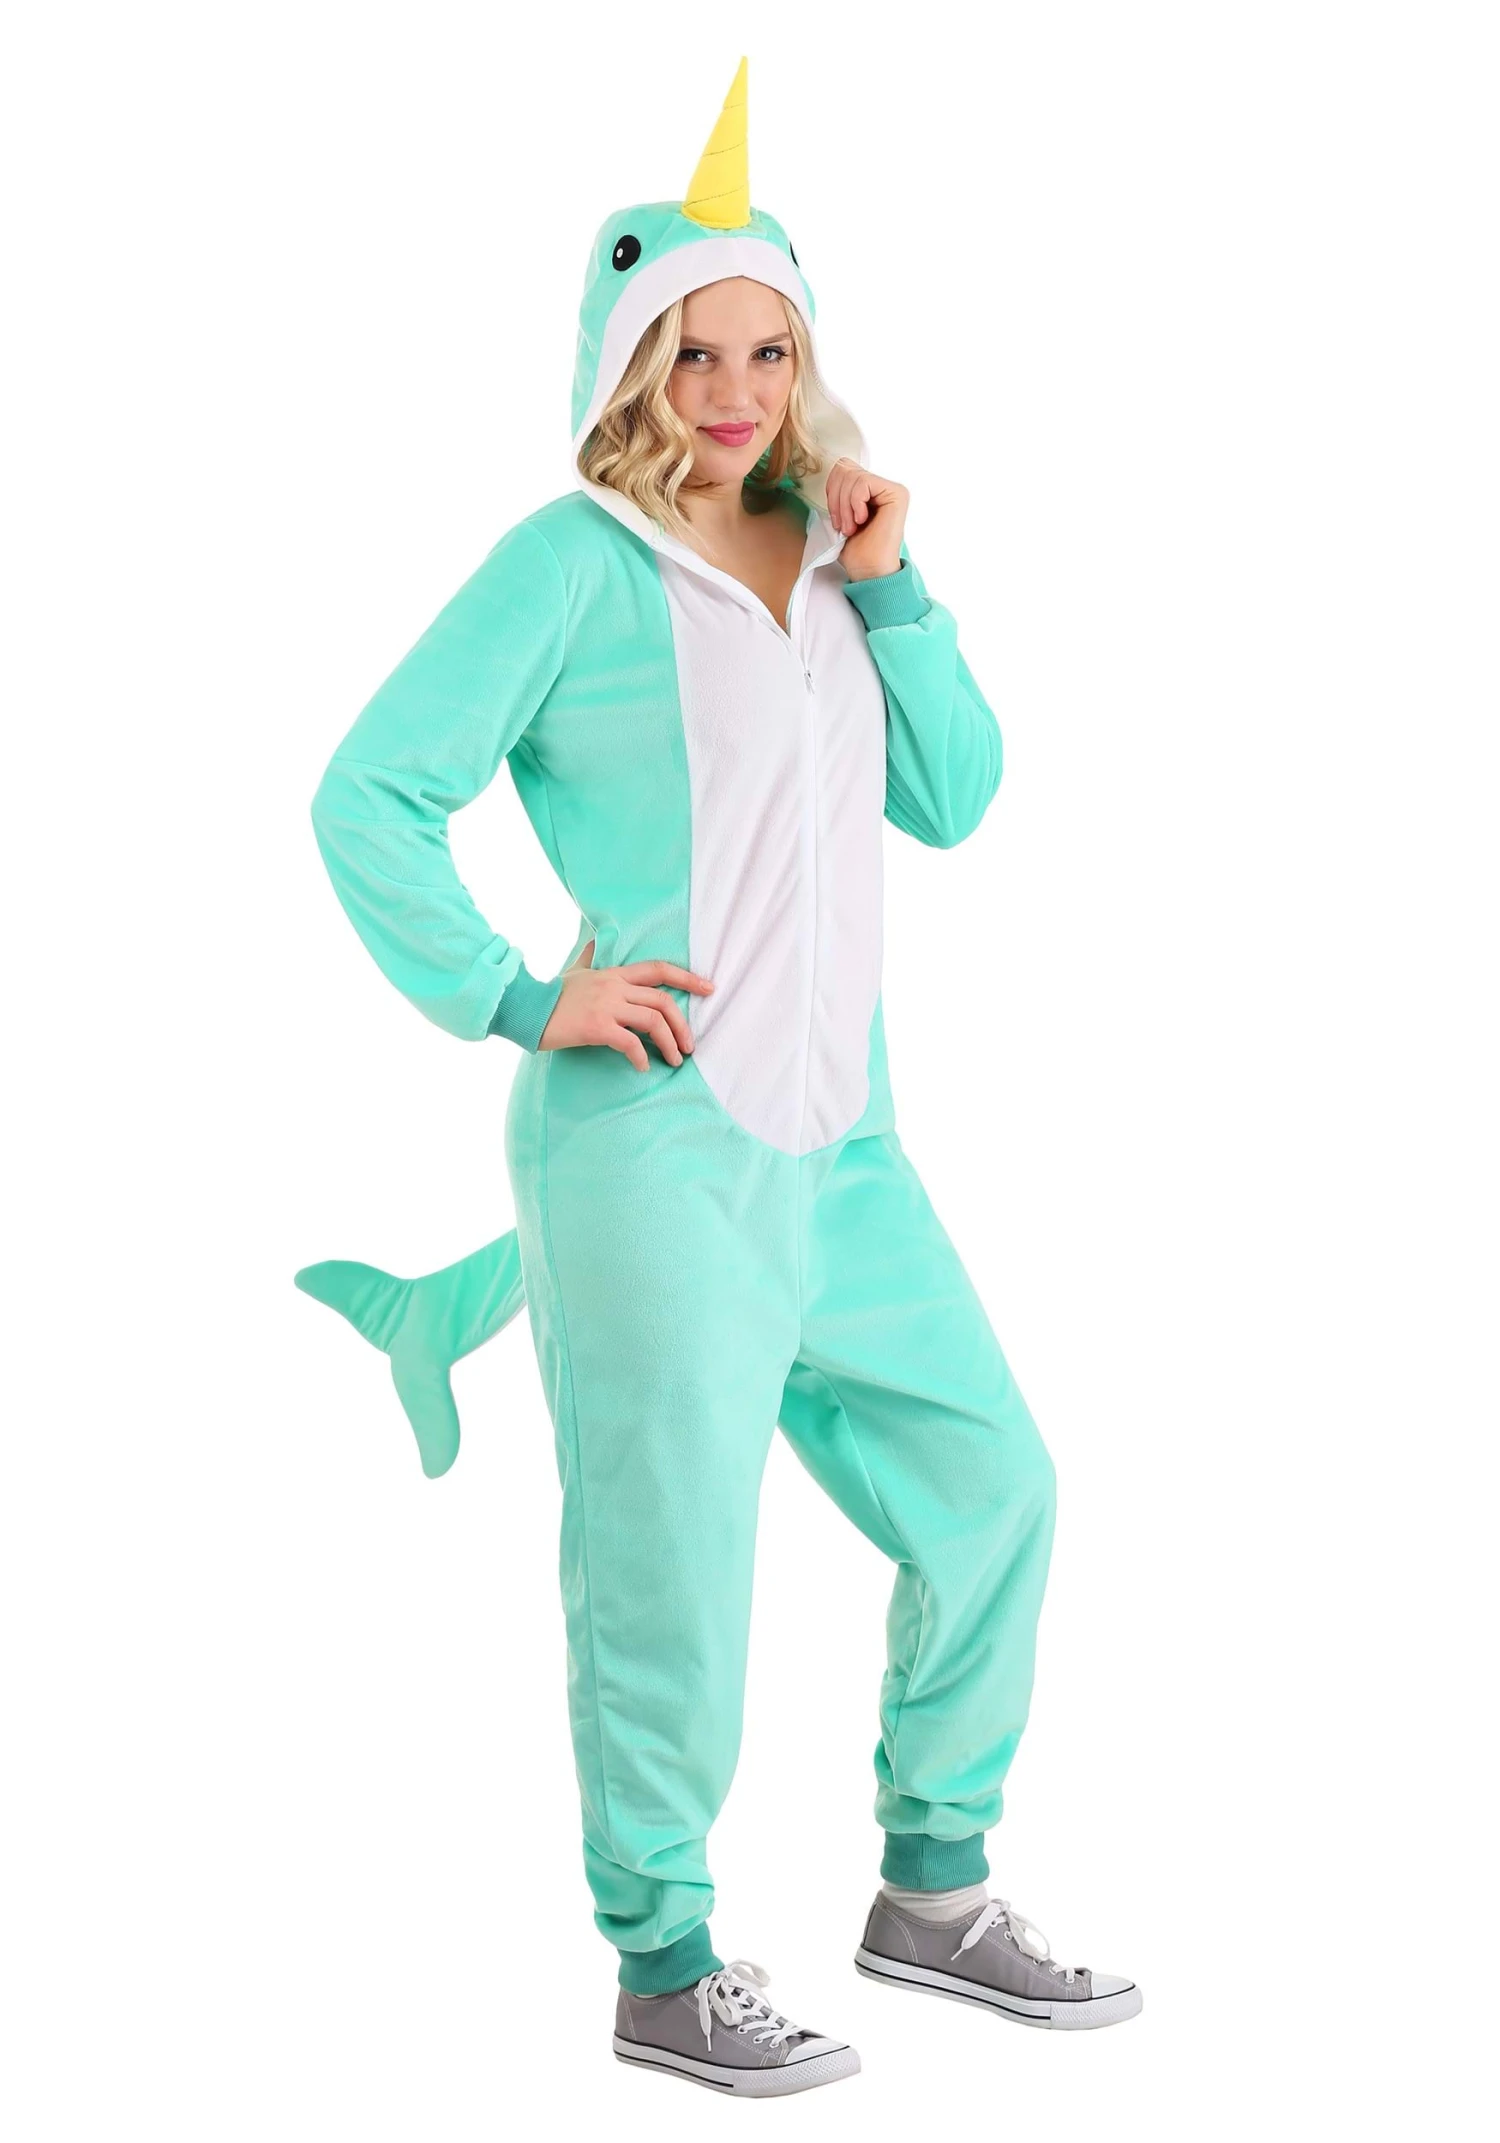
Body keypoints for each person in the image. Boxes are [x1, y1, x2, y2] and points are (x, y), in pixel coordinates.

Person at [296, 58, 1141, 2098]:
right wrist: (520, 997)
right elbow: (367, 792)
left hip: (848, 1144)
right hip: (652, 1150)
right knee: (674, 1573)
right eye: (696, 351)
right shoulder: (568, 563)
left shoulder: (833, 550)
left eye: (771, 348)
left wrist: (900, 581)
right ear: (631, 363)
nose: (739, 389)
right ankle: (665, 1966)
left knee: (996, 1486)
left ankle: (933, 1891)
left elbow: (957, 794)